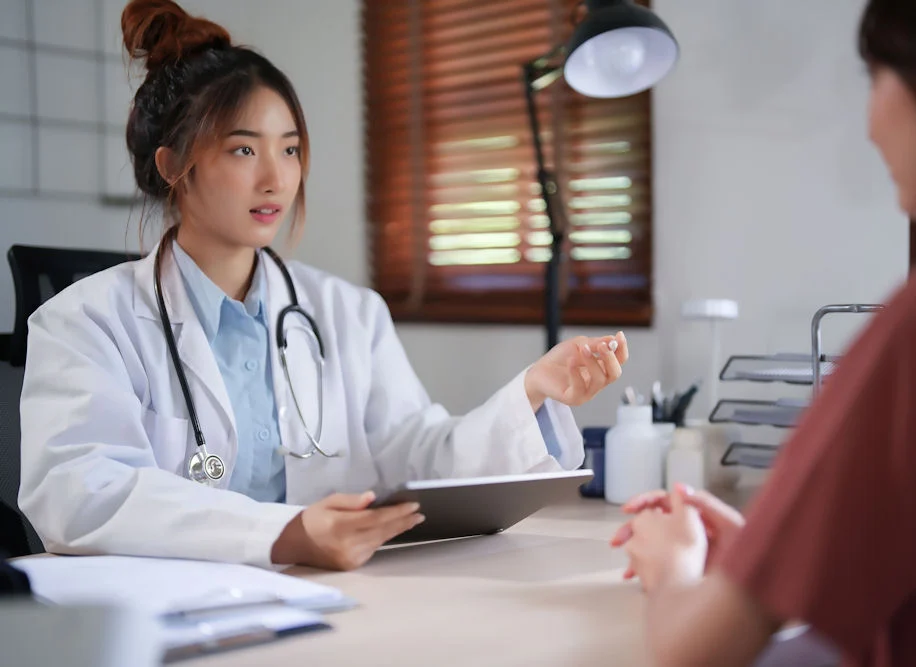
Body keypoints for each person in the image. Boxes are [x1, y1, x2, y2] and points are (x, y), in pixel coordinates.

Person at [17, 0, 629, 572]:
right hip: (161, 618)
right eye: (241, 150)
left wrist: (531, 392)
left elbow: (417, 454)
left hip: (326, 598)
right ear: (173, 165)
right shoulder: (84, 321)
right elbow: (79, 493)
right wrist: (281, 535)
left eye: (289, 149)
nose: (275, 179)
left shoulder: (348, 313)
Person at [611, 0, 916, 665]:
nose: (871, 125)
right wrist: (776, 557)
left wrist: (671, 568)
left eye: (875, 77)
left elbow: (692, 651)